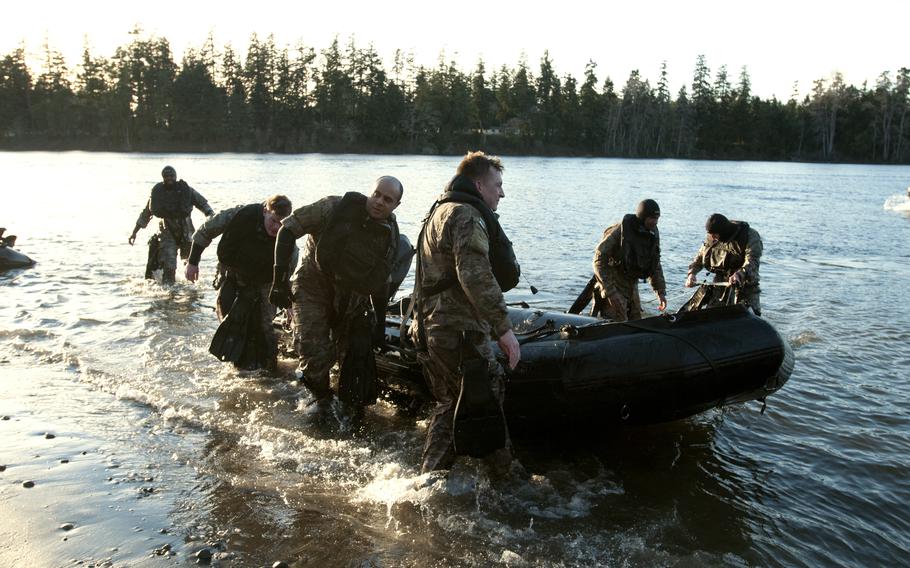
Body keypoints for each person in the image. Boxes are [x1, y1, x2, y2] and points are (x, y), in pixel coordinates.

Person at [410, 151, 521, 474]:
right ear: (478, 184)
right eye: (497, 185)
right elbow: (474, 274)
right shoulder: (466, 215)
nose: (501, 193)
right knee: (466, 397)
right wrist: (504, 329)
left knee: (466, 397)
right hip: (458, 328)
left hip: (435, 323)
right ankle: (430, 480)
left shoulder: (440, 211)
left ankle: (503, 470)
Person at [268, 176, 403, 419]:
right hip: (312, 286)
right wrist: (279, 282)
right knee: (315, 351)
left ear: (396, 205)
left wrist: (380, 325)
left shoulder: (390, 236)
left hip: (351, 298)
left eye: (388, 200)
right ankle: (320, 399)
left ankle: (351, 407)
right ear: (369, 192)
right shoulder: (333, 208)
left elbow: (382, 282)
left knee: (355, 356)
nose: (379, 202)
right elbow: (288, 230)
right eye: (376, 195)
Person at [184, 195, 296, 373]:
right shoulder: (240, 215)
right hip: (234, 271)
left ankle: (269, 368)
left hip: (266, 278)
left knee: (265, 324)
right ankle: (236, 364)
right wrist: (192, 262)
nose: (276, 227)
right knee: (230, 315)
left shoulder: (287, 233)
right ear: (265, 210)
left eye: (281, 224)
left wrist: (288, 300)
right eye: (273, 221)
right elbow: (205, 231)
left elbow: (290, 269)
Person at [128, 165, 214, 284]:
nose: (169, 178)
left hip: (187, 230)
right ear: (163, 178)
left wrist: (211, 216)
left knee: (191, 262)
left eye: (171, 176)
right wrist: (134, 233)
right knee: (169, 265)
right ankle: (170, 291)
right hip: (167, 232)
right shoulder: (157, 194)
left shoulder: (186, 190)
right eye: (166, 176)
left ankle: (192, 289)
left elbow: (203, 205)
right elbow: (146, 213)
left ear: (176, 176)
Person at [590, 199, 667, 321]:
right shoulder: (620, 231)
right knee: (616, 324)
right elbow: (599, 260)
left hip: (632, 285)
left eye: (657, 218)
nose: (655, 222)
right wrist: (611, 292)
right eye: (652, 218)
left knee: (636, 322)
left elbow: (654, 263)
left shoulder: (652, 233)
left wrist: (660, 292)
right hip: (614, 283)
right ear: (643, 217)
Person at [685, 213, 763, 315]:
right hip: (721, 281)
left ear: (723, 231)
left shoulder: (750, 236)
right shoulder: (712, 237)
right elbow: (700, 257)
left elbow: (752, 260)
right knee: (713, 315)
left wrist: (740, 274)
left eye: (715, 234)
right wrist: (692, 274)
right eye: (710, 234)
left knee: (749, 317)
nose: (713, 237)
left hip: (745, 283)